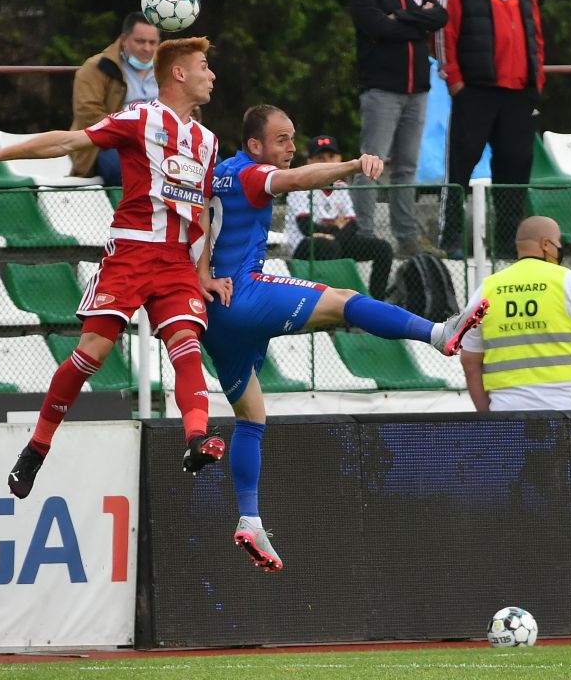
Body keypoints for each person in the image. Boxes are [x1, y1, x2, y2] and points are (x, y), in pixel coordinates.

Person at [204, 104, 490, 571]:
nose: (291, 148)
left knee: (251, 416)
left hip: (215, 315)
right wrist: (355, 165)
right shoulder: (254, 173)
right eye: (281, 139)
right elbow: (296, 182)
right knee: (341, 299)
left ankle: (249, 518)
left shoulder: (215, 175)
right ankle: (438, 333)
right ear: (254, 145)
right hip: (245, 294)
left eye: (293, 137)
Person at [0, 36, 230, 499]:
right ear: (179, 73)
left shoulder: (206, 140)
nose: (212, 75)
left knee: (186, 344)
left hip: (175, 262)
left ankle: (196, 439)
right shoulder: (139, 117)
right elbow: (69, 140)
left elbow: (201, 207)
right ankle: (37, 448)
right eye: (204, 66)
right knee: (92, 353)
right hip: (131, 253)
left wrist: (201, 270)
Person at [433, 0, 545, 255]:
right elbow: (442, 29)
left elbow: (534, 29)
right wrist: (454, 81)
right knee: (459, 168)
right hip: (475, 90)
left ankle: (508, 246)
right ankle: (450, 239)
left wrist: (536, 78)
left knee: (514, 170)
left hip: (518, 92)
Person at [348, 0, 448, 258]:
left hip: (418, 89)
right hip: (381, 89)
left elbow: (440, 17)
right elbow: (376, 26)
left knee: (407, 167)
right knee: (370, 164)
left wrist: (400, 17)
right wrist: (418, 17)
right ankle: (363, 234)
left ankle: (407, 237)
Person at [458, 216, 571, 411]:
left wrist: (489, 418)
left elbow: (469, 363)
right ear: (545, 244)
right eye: (558, 243)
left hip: (508, 413)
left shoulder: (486, 290)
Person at [284, 135, 394, 300]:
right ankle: (333, 306)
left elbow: (352, 225)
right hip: (303, 246)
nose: (327, 162)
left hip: (335, 242)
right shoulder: (300, 187)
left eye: (331, 156)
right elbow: (306, 227)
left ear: (339, 158)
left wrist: (329, 233)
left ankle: (376, 302)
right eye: (320, 158)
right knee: (329, 246)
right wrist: (336, 227)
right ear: (309, 162)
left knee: (383, 248)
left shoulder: (341, 186)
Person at [68, 12, 162, 186]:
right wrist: (134, 134)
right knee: (123, 169)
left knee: (210, 164)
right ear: (124, 39)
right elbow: (88, 113)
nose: (147, 48)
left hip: (163, 138)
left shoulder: (167, 68)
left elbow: (189, 104)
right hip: (111, 143)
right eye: (140, 41)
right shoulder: (96, 67)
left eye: (152, 43)